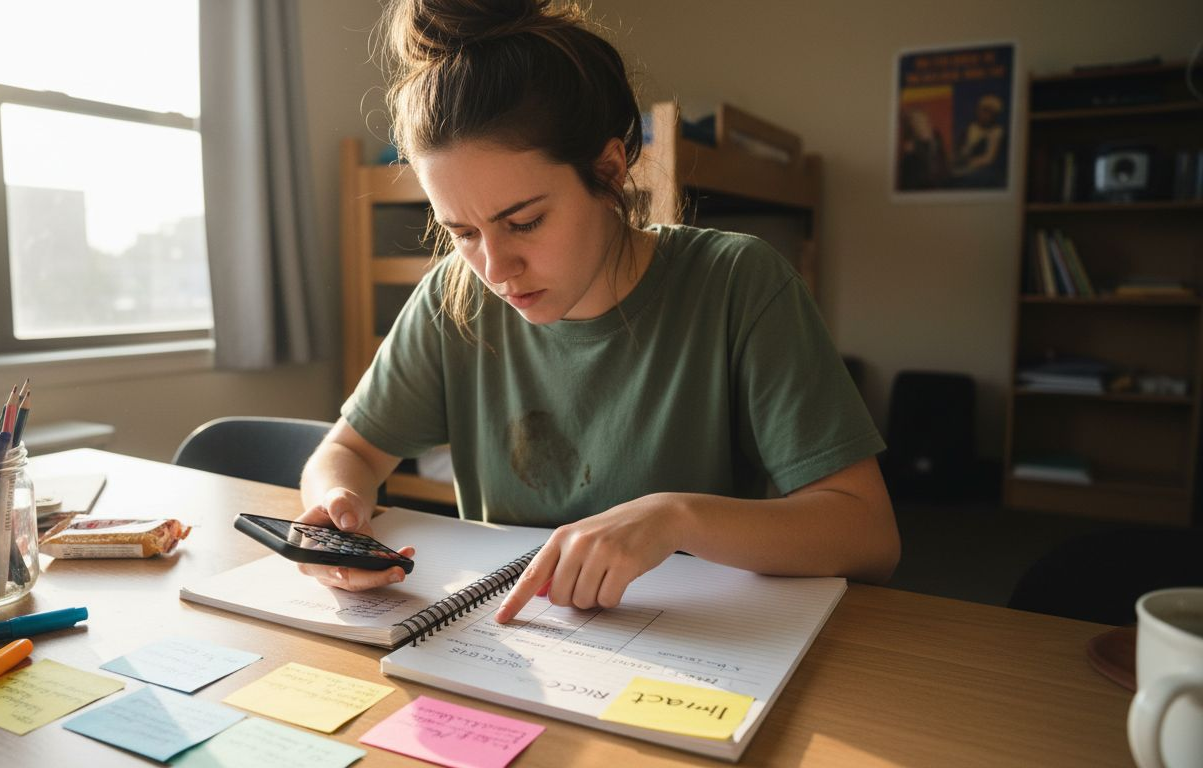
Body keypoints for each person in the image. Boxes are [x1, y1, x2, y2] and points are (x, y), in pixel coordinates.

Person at [297, 0, 899, 623]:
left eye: (524, 222)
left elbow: (869, 536)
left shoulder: (737, 283)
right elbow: (349, 454)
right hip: (517, 643)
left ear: (610, 169)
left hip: (695, 646)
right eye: (463, 232)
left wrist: (676, 518)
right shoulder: (456, 296)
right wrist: (335, 508)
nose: (496, 269)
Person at [951, 94, 1006, 186]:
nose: (984, 115)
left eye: (989, 112)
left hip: (984, 170)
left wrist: (968, 163)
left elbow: (989, 158)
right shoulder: (970, 128)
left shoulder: (996, 131)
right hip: (964, 165)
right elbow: (960, 150)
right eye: (982, 110)